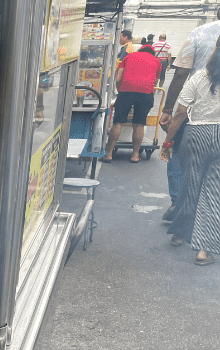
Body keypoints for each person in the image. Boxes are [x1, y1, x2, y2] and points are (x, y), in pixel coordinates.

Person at [162, 38, 220, 266]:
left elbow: (180, 113)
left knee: (190, 184)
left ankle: (180, 234)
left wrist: (168, 142)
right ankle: (204, 250)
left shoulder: (199, 77)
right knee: (214, 191)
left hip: (195, 135)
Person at [159, 9, 220, 220]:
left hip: (196, 113)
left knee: (176, 154)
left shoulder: (200, 33)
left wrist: (168, 110)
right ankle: (207, 214)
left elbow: (182, 72)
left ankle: (178, 202)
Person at [101, 44, 162, 163]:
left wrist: (120, 91)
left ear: (140, 50)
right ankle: (135, 155)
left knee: (118, 122)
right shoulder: (157, 61)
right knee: (139, 123)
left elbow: (118, 78)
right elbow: (155, 81)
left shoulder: (129, 57)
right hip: (145, 93)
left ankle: (108, 154)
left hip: (126, 91)